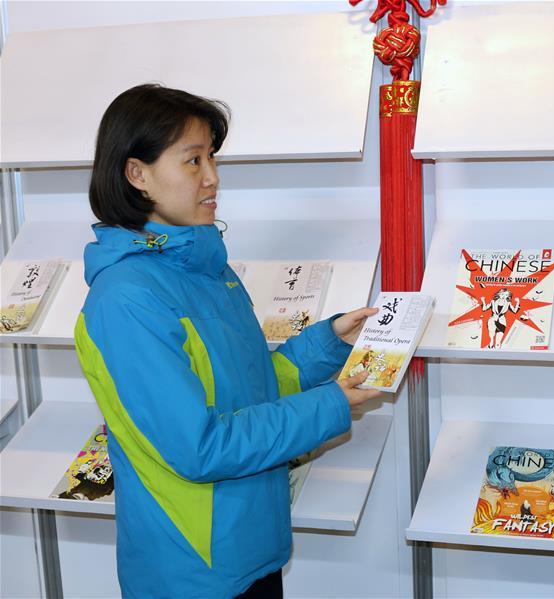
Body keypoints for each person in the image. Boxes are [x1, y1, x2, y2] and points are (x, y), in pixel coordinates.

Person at [75, 84, 380, 598]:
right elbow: (200, 446)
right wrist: (331, 406)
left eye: (212, 158)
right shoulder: (125, 299)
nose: (213, 177)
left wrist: (328, 342)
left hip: (252, 550)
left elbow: (254, 387)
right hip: (192, 572)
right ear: (137, 174)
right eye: (192, 161)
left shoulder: (212, 273)